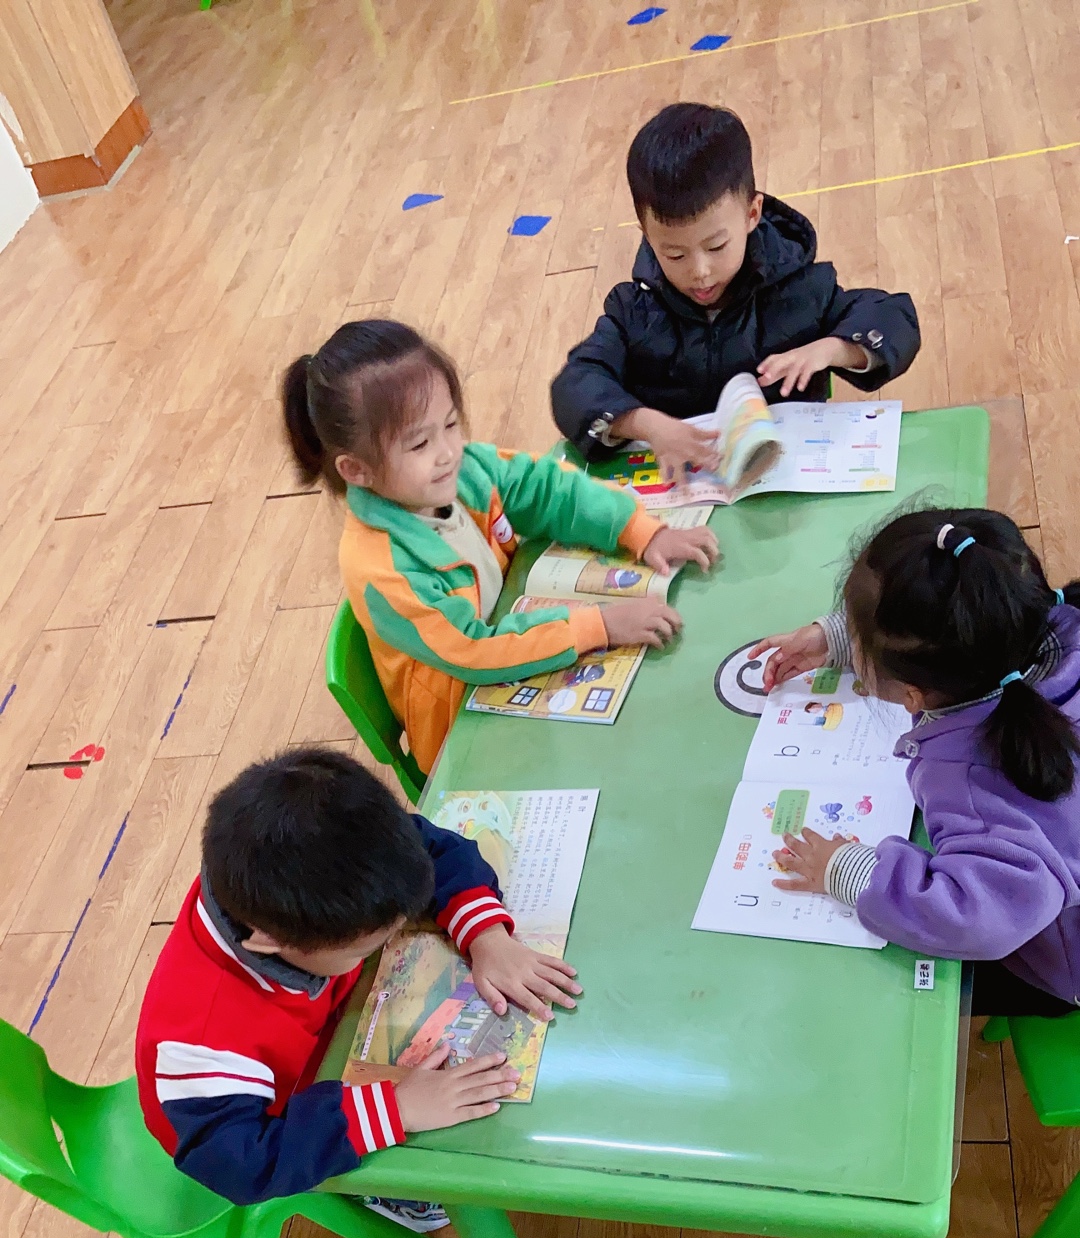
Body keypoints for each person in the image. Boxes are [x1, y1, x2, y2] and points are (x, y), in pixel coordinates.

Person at [136, 748, 583, 1214]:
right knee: (440, 1156)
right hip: (277, 1117)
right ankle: (379, 1195)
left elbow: (429, 848)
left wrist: (486, 936)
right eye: (364, 948)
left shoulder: (332, 853)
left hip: (332, 1029)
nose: (388, 938)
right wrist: (396, 1109)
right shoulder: (204, 1043)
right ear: (270, 942)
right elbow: (245, 1164)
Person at [282, 319, 718, 773]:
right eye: (420, 443)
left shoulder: (462, 470)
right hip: (464, 726)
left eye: (450, 424)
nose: (448, 451)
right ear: (356, 470)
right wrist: (600, 625)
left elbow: (545, 488)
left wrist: (639, 530)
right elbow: (474, 649)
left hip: (522, 641)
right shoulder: (380, 567)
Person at [752, 510, 1080, 1017]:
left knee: (884, 993)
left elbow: (979, 920)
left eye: (859, 642)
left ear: (912, 694)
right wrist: (847, 640)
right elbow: (960, 626)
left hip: (1060, 957)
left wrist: (853, 872)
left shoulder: (976, 781)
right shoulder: (1048, 620)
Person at [550, 102, 920, 470]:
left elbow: (895, 318)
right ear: (646, 235)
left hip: (783, 477)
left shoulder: (801, 290)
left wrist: (832, 349)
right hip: (686, 487)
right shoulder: (633, 312)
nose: (700, 272)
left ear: (751, 214)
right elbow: (574, 384)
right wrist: (643, 423)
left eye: (716, 247)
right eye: (674, 254)